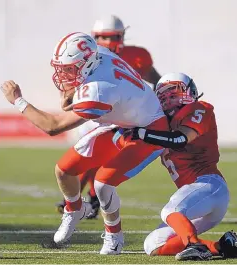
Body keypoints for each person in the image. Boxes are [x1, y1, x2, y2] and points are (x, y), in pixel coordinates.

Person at [1, 32, 169, 255]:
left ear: (87, 62)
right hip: (122, 121)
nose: (62, 73)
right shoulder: (99, 55)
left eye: (68, 68)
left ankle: (114, 236)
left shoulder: (99, 89)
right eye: (61, 67)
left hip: (149, 130)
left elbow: (53, 126)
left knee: (102, 183)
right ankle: (74, 209)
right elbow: (79, 90)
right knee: (64, 170)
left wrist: (18, 101)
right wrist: (70, 92)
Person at [56, 15, 162, 218]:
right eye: (103, 37)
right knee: (87, 154)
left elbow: (157, 80)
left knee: (102, 157)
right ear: (94, 38)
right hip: (94, 113)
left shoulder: (137, 55)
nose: (109, 42)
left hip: (120, 116)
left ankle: (90, 198)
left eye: (114, 36)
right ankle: (83, 199)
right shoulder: (88, 57)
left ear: (122, 36)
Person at [131, 73, 237, 260]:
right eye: (164, 98)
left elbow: (179, 139)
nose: (169, 101)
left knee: (170, 211)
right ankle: (223, 246)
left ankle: (193, 245)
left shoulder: (199, 109)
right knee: (153, 244)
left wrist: (141, 133)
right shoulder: (161, 125)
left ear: (190, 92)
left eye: (174, 95)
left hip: (209, 186)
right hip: (196, 199)